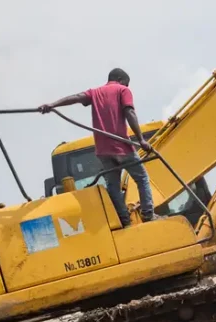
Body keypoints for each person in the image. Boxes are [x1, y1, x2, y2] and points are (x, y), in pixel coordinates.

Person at [39, 68, 154, 227]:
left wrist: (52, 105)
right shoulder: (123, 90)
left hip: (103, 150)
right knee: (142, 178)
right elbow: (130, 113)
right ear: (121, 80)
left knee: (113, 186)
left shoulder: (95, 92)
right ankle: (148, 215)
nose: (128, 87)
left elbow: (76, 97)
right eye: (127, 84)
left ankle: (124, 220)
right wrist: (141, 140)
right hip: (121, 146)